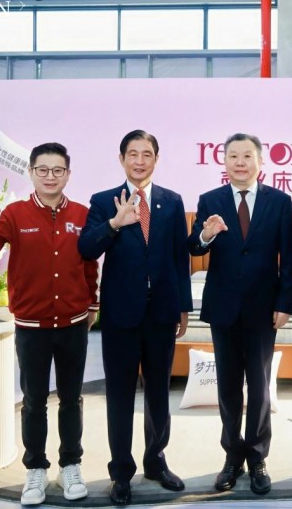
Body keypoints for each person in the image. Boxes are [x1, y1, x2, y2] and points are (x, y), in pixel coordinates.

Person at [0, 142, 99, 506]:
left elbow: (89, 263)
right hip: (31, 327)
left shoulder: (82, 214)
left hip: (72, 324)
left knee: (71, 399)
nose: (50, 176)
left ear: (68, 174)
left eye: (58, 170)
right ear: (31, 172)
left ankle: (70, 464)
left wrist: (92, 304)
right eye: (43, 169)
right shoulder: (15, 214)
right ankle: (36, 468)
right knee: (34, 401)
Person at [78, 129, 193, 505]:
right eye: (133, 154)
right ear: (121, 159)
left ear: (156, 159)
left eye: (147, 154)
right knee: (120, 394)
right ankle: (121, 472)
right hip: (120, 316)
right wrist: (114, 223)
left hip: (161, 313)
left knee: (159, 392)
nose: (140, 161)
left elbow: (179, 258)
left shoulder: (171, 201)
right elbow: (86, 248)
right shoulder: (103, 201)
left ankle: (156, 462)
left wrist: (183, 306)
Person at [188, 133, 292, 496]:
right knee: (228, 387)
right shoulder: (211, 200)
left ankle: (258, 457)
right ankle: (232, 456)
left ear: (260, 162)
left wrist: (284, 303)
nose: (240, 162)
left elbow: (288, 258)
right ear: (224, 161)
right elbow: (193, 246)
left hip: (263, 310)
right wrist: (205, 235)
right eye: (233, 155)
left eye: (247, 156)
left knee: (261, 387)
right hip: (223, 308)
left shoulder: (279, 201)